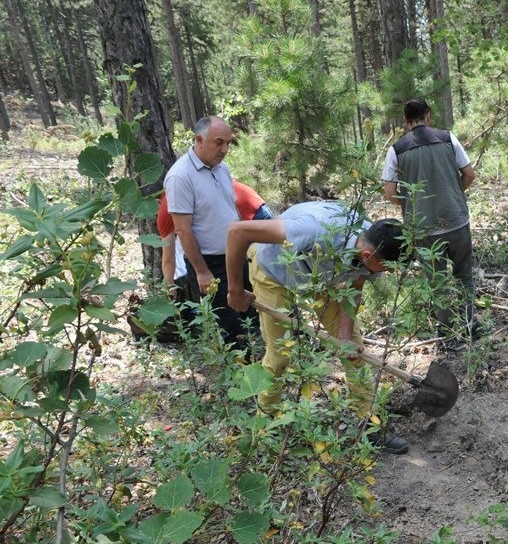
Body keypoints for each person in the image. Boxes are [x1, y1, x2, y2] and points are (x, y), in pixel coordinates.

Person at [225, 201, 411, 454]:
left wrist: (345, 336)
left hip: (323, 276)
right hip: (275, 270)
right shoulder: (311, 231)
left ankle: (370, 423)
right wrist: (235, 289)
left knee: (355, 350)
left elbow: (355, 285)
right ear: (368, 256)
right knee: (280, 356)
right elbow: (238, 231)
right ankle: (264, 427)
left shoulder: (373, 244)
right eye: (388, 269)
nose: (388, 274)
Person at [381, 99, 478, 345]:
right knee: (464, 274)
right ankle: (469, 324)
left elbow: (389, 192)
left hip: (422, 227)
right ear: (428, 116)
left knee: (437, 281)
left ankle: (447, 334)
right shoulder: (448, 138)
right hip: (456, 219)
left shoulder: (397, 150)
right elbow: (469, 174)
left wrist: (412, 206)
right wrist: (456, 194)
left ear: (406, 121)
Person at [164, 116, 257, 352]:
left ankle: (260, 367)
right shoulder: (180, 176)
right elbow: (183, 229)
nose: (224, 150)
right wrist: (202, 272)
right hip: (212, 263)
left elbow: (230, 207)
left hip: (236, 255)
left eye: (228, 143)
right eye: (219, 143)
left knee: (251, 314)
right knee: (231, 324)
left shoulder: (221, 168)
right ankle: (242, 377)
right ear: (199, 140)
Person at [157, 179, 273, 302]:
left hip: (251, 218)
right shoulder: (187, 186)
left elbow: (169, 258)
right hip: (258, 208)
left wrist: (169, 287)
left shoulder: (168, 207)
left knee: (265, 283)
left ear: (157, 202)